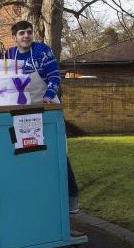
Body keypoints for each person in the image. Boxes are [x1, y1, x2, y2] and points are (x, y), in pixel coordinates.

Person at [6, 20, 79, 214]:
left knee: (58, 151)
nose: (26, 36)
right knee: (28, 152)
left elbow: (55, 76)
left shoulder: (42, 51)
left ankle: (71, 195)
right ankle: (38, 196)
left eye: (29, 32)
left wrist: (48, 95)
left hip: (47, 106)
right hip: (22, 110)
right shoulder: (9, 55)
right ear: (15, 37)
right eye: (21, 33)